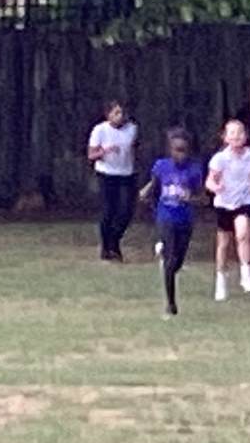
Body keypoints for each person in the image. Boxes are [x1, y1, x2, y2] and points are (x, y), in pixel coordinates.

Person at [138, 127, 203, 317]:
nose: (180, 155)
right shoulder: (161, 166)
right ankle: (170, 303)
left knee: (178, 261)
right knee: (170, 259)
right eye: (177, 150)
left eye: (183, 150)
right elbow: (154, 185)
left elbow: (203, 198)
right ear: (170, 149)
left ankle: (167, 261)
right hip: (166, 216)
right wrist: (146, 191)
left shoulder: (194, 169)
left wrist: (191, 198)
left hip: (185, 218)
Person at [205, 119, 250, 301]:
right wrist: (216, 187)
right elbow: (209, 181)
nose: (236, 136)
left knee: (243, 234)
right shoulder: (220, 159)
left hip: (243, 201)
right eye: (232, 132)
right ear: (225, 137)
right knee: (223, 244)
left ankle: (246, 273)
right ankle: (220, 280)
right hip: (224, 204)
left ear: (245, 136)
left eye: (240, 132)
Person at [86, 99, 138, 261]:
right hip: (106, 173)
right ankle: (106, 247)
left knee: (126, 211)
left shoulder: (132, 129)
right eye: (116, 113)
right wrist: (104, 151)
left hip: (126, 173)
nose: (120, 116)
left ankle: (114, 240)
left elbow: (134, 149)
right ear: (108, 115)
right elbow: (91, 155)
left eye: (122, 113)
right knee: (109, 210)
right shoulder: (100, 130)